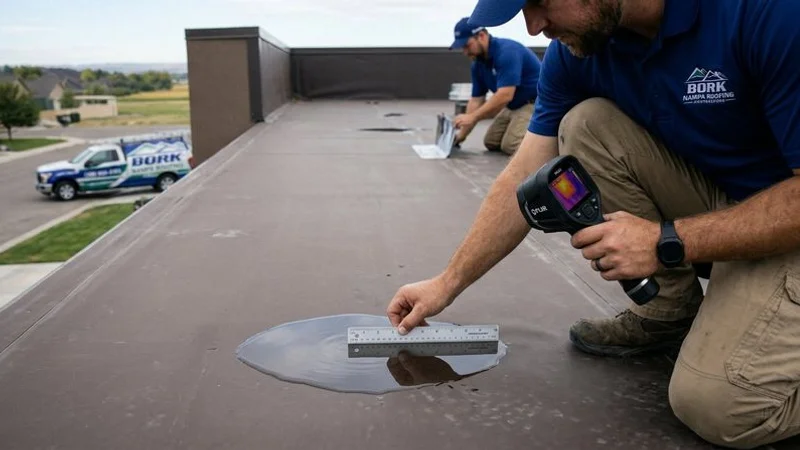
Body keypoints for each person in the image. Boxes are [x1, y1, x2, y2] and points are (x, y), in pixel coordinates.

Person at [386, 0, 800, 448]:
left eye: (540, 2)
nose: (534, 25)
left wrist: (667, 241)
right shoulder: (579, 51)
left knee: (720, 407)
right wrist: (447, 283)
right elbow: (522, 176)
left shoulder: (769, 14)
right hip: (726, 197)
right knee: (583, 125)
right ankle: (669, 310)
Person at [448, 17, 541, 156]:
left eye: (467, 46)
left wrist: (473, 117)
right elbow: (476, 100)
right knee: (491, 142)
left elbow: (505, 95)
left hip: (535, 103)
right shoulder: (478, 64)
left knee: (511, 145)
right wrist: (461, 135)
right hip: (513, 105)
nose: (465, 52)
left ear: (482, 36)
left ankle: (548, 142)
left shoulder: (507, 52)